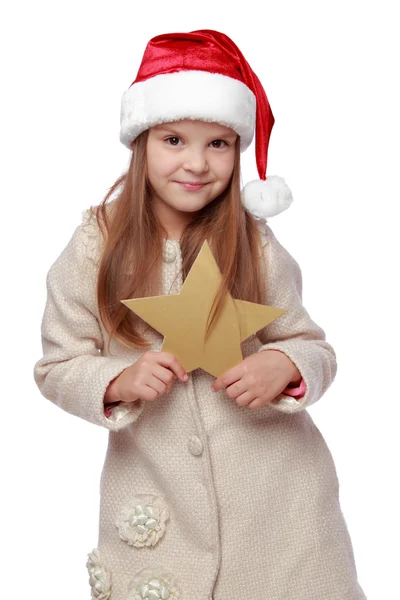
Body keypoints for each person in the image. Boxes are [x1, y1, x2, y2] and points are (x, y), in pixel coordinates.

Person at [34, 29, 366, 600]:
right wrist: (117, 379)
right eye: (174, 139)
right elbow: (57, 363)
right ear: (141, 142)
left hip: (281, 508)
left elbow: (313, 346)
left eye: (218, 144)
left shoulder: (253, 243)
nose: (196, 162)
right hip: (161, 502)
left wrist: (285, 365)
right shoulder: (97, 244)